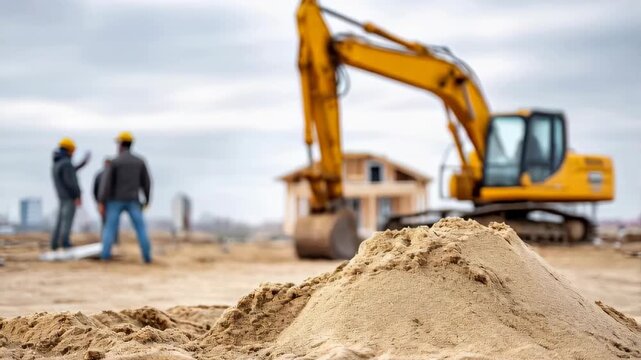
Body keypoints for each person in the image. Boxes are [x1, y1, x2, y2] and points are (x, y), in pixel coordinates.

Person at [98, 131, 152, 263]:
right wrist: (147, 199)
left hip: (115, 201)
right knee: (141, 229)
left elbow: (107, 183)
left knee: (110, 228)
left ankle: (105, 257)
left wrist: (101, 201)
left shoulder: (115, 162)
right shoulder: (140, 161)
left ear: (121, 145)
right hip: (133, 200)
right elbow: (147, 182)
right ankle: (147, 258)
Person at [50, 137, 91, 250]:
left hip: (61, 196)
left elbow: (71, 170)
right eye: (73, 150)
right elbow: (71, 182)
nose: (73, 153)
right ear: (69, 149)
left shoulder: (57, 162)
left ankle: (54, 244)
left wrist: (83, 163)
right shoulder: (66, 163)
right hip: (69, 197)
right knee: (67, 221)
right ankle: (65, 242)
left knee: (60, 221)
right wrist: (77, 195)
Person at [93, 158, 118, 244]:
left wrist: (98, 201)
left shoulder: (99, 175)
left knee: (107, 222)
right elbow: (95, 189)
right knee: (112, 221)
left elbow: (95, 190)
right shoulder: (114, 175)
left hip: (105, 202)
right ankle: (113, 241)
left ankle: (107, 240)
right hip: (110, 201)